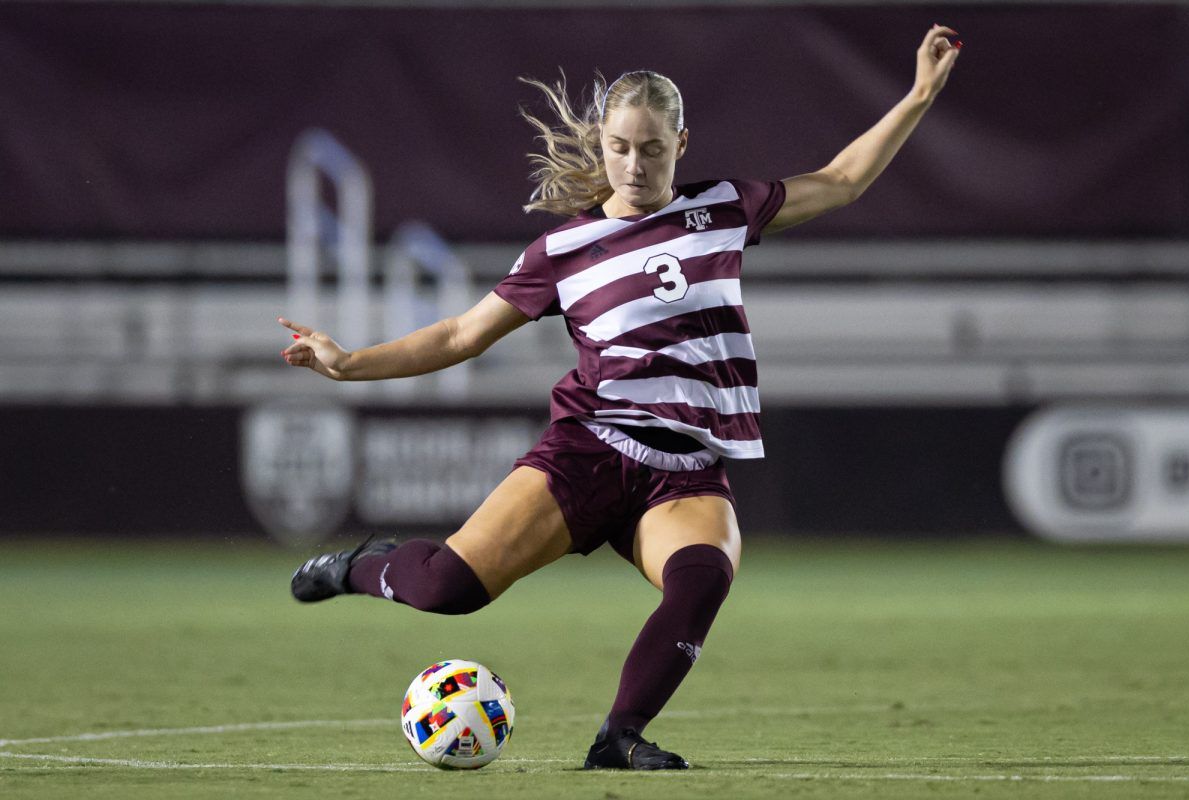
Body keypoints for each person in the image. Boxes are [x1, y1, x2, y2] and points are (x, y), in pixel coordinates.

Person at [281, 25, 960, 770]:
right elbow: (459, 337)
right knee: (446, 588)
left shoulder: (725, 209)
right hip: (588, 451)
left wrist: (920, 94)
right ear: (602, 143)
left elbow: (842, 180)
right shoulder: (563, 252)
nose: (634, 166)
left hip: (683, 471)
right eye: (620, 147)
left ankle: (618, 739)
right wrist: (348, 365)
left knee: (702, 577)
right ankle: (359, 568)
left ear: (682, 143)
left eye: (653, 148)